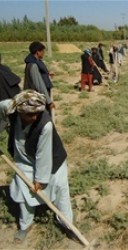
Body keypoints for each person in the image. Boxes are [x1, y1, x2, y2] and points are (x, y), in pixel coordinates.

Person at [0, 90, 73, 243]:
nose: (34, 117)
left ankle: (67, 225)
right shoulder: (9, 107)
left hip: (52, 160)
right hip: (23, 159)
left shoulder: (45, 125)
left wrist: (40, 180)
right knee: (25, 193)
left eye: (37, 114)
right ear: (19, 110)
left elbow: (44, 156)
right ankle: (25, 225)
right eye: (29, 114)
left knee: (60, 190)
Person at [24, 41, 55, 114]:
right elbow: (39, 84)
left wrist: (47, 74)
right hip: (38, 98)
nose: (44, 53)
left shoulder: (33, 62)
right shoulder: (33, 65)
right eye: (43, 51)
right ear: (38, 52)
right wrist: (49, 101)